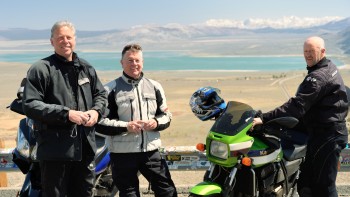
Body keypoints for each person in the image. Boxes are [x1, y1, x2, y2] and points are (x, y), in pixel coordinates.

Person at [252, 36, 348, 197]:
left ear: (322, 51)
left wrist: (264, 118)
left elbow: (296, 106)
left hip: (328, 136)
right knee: (306, 184)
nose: (308, 55)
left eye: (312, 51)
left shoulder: (318, 77)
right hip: (322, 134)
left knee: (324, 186)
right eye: (305, 51)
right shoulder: (329, 66)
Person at [22, 20, 107, 197]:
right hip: (55, 151)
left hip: (85, 149)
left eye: (69, 37)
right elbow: (30, 104)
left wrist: (96, 111)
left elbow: (101, 95)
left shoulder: (86, 68)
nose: (65, 41)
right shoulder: (41, 69)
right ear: (52, 41)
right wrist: (66, 114)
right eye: (60, 38)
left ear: (75, 40)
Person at [96, 44, 177, 197]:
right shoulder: (109, 89)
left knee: (167, 191)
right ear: (122, 63)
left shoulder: (155, 86)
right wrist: (126, 126)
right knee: (129, 194)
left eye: (137, 60)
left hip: (150, 151)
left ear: (143, 62)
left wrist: (156, 123)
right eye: (130, 60)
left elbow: (166, 116)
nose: (134, 64)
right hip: (122, 155)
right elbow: (99, 123)